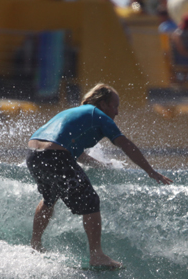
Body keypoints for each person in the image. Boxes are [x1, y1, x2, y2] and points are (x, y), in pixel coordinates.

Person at [26, 83, 172, 269]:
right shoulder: (99, 116)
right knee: (91, 200)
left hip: (33, 154)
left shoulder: (78, 113)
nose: (117, 112)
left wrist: (100, 165)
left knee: (49, 197)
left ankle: (35, 245)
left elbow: (74, 152)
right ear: (103, 104)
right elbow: (126, 145)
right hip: (54, 155)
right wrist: (150, 171)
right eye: (115, 106)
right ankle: (97, 255)